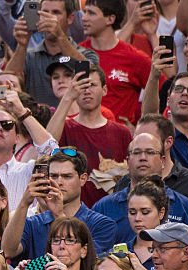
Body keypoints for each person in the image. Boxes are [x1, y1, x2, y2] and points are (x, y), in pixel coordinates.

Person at [4, 149, 117, 261]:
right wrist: (24, 203)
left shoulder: (103, 225)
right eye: (53, 176)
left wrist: (59, 216)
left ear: (83, 179)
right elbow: (8, 252)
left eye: (67, 176)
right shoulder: (32, 223)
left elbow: (86, 263)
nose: (59, 182)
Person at [45, 64, 131, 206]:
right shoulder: (65, 127)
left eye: (92, 85)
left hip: (111, 211)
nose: (87, 90)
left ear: (104, 90)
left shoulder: (122, 132)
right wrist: (68, 97)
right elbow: (47, 145)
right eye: (81, 85)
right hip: (70, 211)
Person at [6, 0, 97, 107]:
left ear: (70, 18)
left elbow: (88, 76)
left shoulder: (87, 55)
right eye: (45, 12)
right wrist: (21, 45)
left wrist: (60, 37)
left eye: (56, 12)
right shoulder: (29, 57)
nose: (49, 18)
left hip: (73, 121)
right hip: (36, 121)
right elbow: (7, 83)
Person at [78, 0, 151, 125]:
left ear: (110, 19)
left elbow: (165, 91)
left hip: (121, 140)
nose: (84, 18)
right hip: (82, 137)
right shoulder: (76, 54)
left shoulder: (135, 58)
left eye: (91, 13)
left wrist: (141, 127)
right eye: (84, 12)